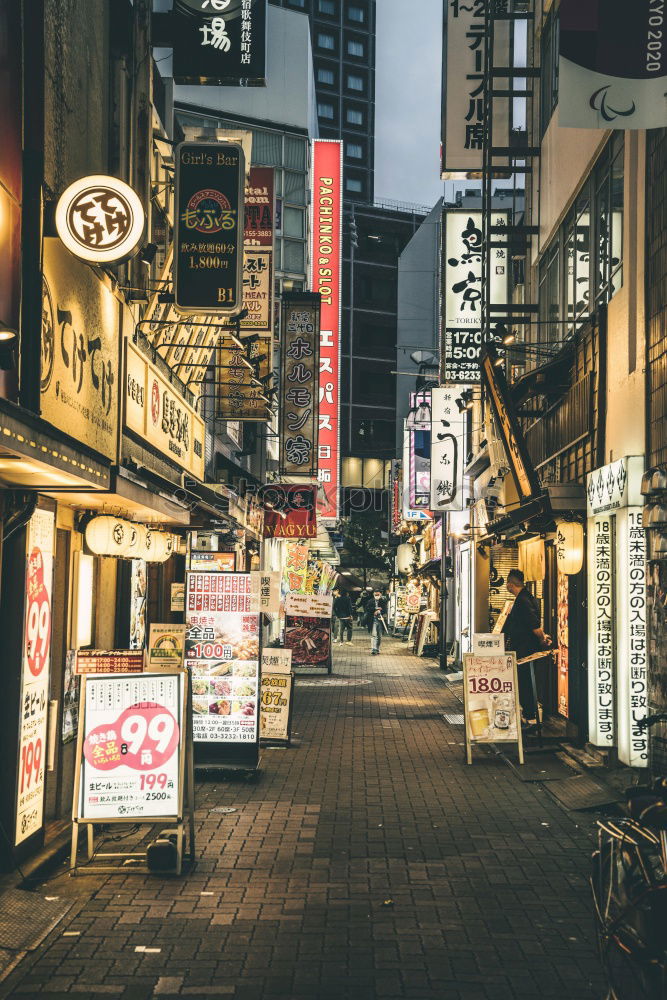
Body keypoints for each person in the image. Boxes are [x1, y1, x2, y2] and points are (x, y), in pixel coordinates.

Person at [502, 568, 551, 722]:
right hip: (525, 647)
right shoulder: (527, 597)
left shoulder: (523, 600)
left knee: (525, 681)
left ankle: (530, 715)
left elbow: (534, 625)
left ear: (510, 584)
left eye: (507, 584)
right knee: (525, 680)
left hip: (525, 649)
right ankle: (529, 713)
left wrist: (542, 637)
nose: (506, 587)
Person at [368, 590, 388, 655]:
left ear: (380, 595)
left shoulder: (383, 601)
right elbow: (367, 609)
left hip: (381, 621)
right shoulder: (370, 601)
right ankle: (374, 649)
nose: (377, 596)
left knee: (379, 636)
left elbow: (385, 610)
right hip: (373, 620)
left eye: (378, 595)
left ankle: (377, 648)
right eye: (375, 595)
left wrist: (380, 611)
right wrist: (375, 609)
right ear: (373, 594)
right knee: (374, 635)